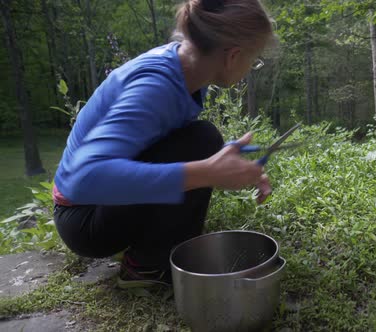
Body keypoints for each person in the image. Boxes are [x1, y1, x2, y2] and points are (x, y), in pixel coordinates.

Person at [53, 0, 276, 288]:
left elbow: (162, 138)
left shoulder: (188, 70)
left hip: (98, 206)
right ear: (233, 56)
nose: (251, 67)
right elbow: (81, 180)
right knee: (202, 141)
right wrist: (207, 172)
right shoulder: (156, 85)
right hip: (84, 219)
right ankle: (145, 266)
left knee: (202, 140)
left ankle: (155, 249)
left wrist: (225, 161)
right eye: (254, 59)